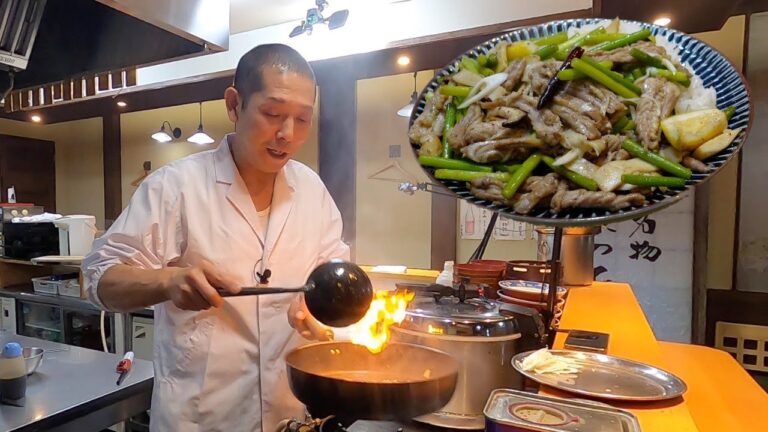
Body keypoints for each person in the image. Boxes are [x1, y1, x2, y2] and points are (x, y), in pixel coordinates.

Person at [82, 44, 349, 431]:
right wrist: (168, 281)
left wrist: (315, 309)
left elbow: (332, 272)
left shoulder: (312, 190)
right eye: (272, 114)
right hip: (201, 419)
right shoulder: (176, 187)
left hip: (290, 414)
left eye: (303, 119)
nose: (287, 134)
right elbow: (96, 278)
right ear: (234, 104)